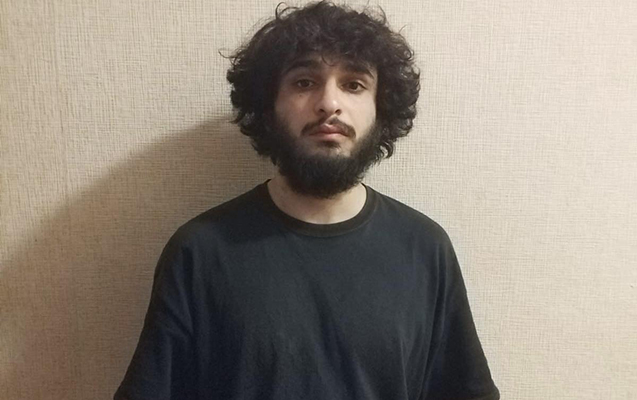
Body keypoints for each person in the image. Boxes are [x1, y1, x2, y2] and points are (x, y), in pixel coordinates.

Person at [114, 2, 500, 399]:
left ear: (380, 107)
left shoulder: (425, 248)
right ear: (268, 107)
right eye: (304, 82)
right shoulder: (200, 252)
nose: (329, 103)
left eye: (353, 84)